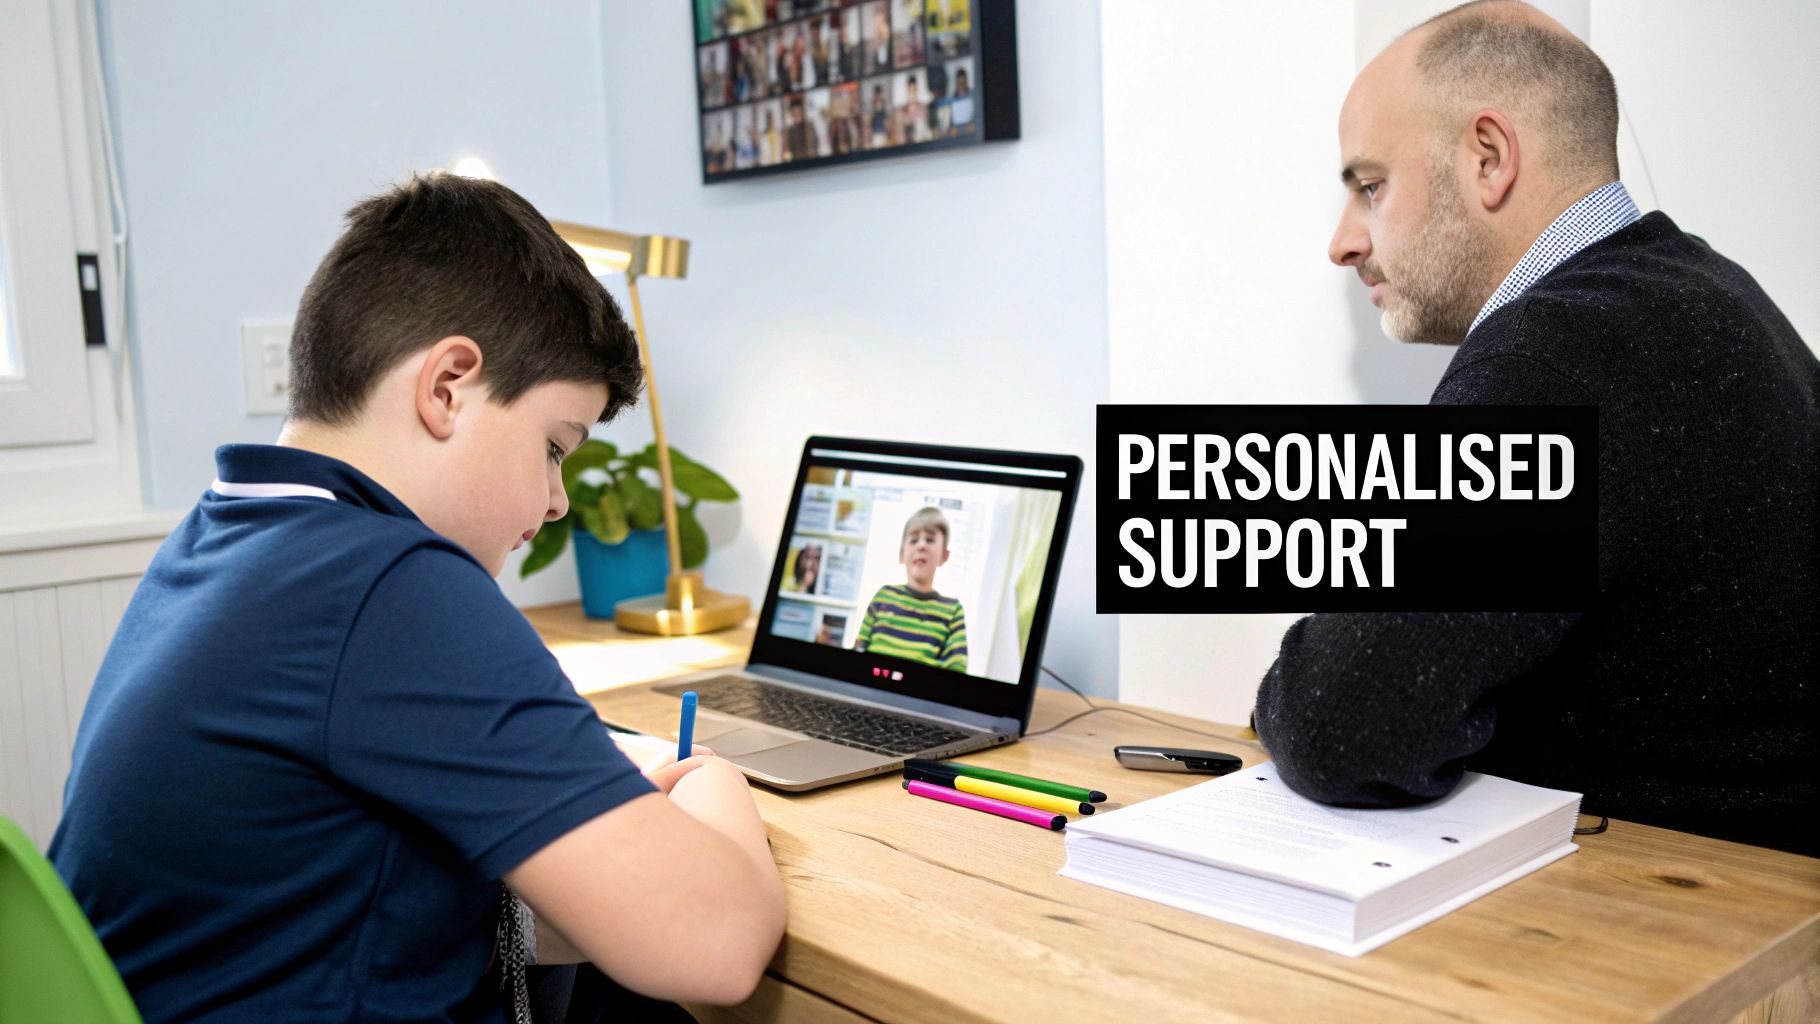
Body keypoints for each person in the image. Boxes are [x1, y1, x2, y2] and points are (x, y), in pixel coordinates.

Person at [48, 173, 787, 1020]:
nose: (557, 501)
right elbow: (719, 944)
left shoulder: (225, 537)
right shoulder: (391, 586)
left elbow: (356, 899)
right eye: (554, 446)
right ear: (447, 389)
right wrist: (712, 784)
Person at [1252, 0, 1818, 856]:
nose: (1343, 242)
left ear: (1489, 157)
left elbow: (1344, 721)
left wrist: (1284, 691)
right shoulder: (1714, 294)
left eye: (1371, 186)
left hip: (1685, 935)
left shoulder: (1559, 355)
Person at [854, 507, 968, 672]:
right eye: (914, 540)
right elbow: (858, 651)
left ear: (944, 555)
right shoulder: (884, 596)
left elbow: (957, 670)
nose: (921, 545)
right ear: (901, 554)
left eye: (929, 539)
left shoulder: (953, 611)